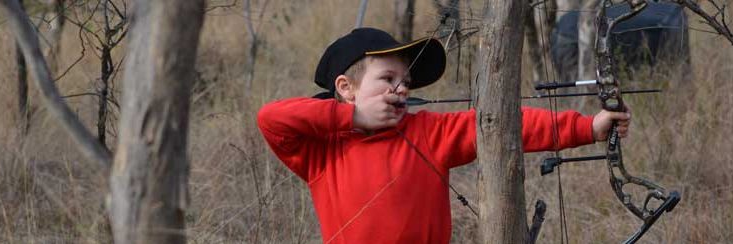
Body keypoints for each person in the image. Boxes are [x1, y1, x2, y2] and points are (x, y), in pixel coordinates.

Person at [256, 28, 631, 243]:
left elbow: (501, 124)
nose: (401, 89)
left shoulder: (429, 132)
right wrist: (354, 117)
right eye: (387, 80)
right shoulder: (323, 150)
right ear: (345, 87)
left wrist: (587, 127)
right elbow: (270, 118)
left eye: (406, 82)